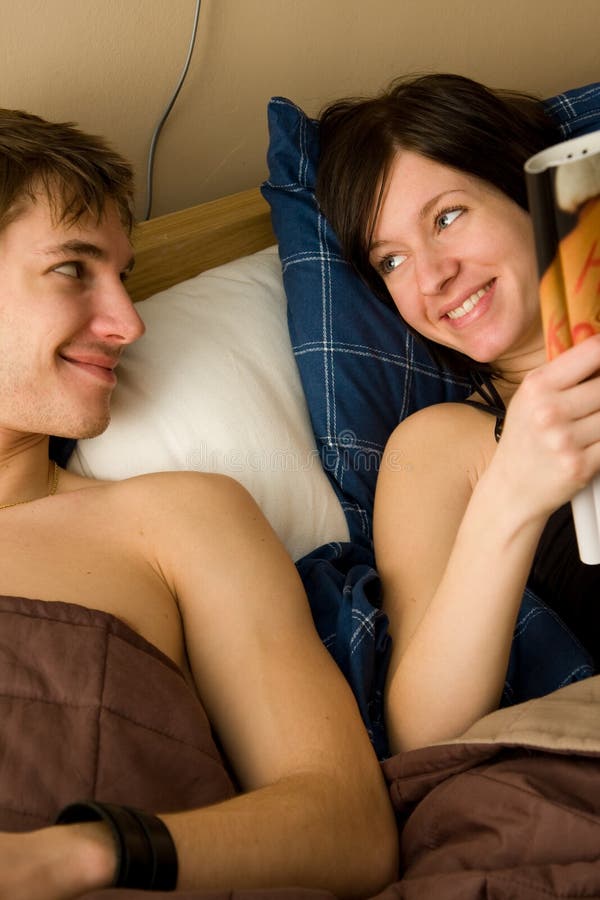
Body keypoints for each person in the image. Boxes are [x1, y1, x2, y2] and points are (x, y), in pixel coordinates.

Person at [0, 108, 398, 899]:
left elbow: (348, 825)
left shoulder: (175, 523)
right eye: (73, 269)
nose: (129, 324)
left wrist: (71, 857)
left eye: (125, 279)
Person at [315, 73, 600, 754]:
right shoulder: (440, 447)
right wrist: (514, 494)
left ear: (531, 195)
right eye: (391, 260)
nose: (432, 276)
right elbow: (423, 733)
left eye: (446, 218)